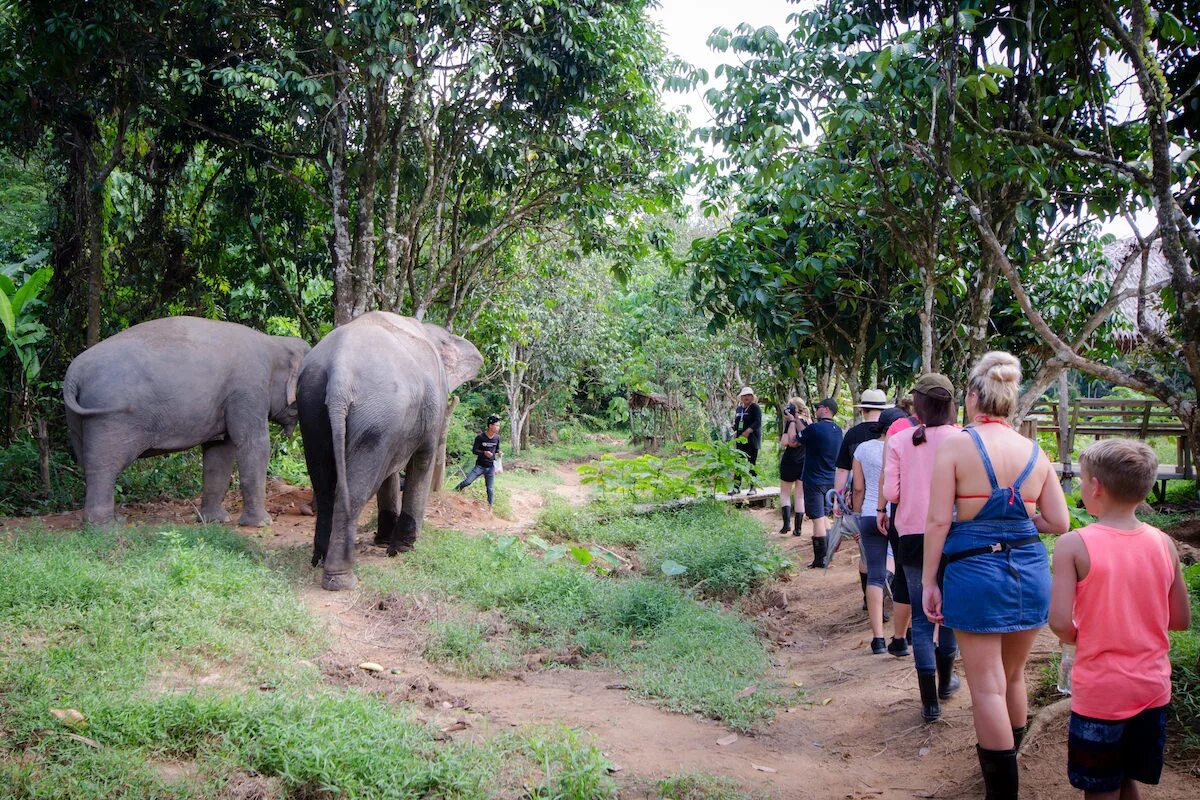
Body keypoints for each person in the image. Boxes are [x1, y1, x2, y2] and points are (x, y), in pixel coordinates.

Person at [921, 352, 1069, 799]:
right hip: (1028, 571)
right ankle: (1011, 759)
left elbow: (937, 522)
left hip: (975, 574)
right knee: (1014, 675)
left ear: (972, 396)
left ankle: (1001, 789)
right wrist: (1018, 522)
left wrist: (930, 581)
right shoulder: (1033, 450)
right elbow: (1059, 522)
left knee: (986, 686)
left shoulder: (956, 446)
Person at [1049, 439, 1191, 800]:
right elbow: (1180, 619)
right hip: (1152, 688)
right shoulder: (1164, 543)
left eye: (1082, 480)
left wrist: (1084, 635)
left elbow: (1060, 622)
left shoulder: (1073, 544)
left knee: (1100, 788)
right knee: (1126, 776)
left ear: (1096, 486)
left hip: (1102, 693)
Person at [882, 373, 963, 722]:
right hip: (956, 534)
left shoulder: (901, 440)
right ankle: (946, 684)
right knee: (949, 615)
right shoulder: (964, 438)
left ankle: (929, 703)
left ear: (919, 404)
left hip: (913, 535)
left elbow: (891, 495)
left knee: (919, 614)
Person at [852, 406, 909, 654]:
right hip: (896, 514)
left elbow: (858, 488)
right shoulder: (907, 446)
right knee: (904, 575)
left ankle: (877, 639)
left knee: (874, 576)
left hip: (868, 513)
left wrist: (857, 516)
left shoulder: (862, 449)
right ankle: (903, 634)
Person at [837, 389, 893, 606]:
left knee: (866, 554)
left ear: (863, 410)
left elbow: (843, 471)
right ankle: (888, 593)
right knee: (891, 553)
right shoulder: (896, 434)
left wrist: (840, 501)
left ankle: (868, 599)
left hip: (865, 505)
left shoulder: (853, 435)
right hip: (891, 503)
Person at [799, 398, 843, 568]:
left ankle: (820, 559)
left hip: (814, 480)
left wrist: (795, 421)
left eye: (818, 408)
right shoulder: (838, 430)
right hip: (830, 479)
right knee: (824, 516)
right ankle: (829, 552)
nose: (816, 410)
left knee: (817, 519)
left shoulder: (814, 429)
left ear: (825, 410)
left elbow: (796, 440)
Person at [454, 414, 502, 508]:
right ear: (490, 426)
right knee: (467, 482)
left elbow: (497, 450)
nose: (498, 427)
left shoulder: (497, 438)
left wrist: (499, 453)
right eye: (496, 425)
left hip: (490, 467)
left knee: (490, 489)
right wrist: (484, 452)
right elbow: (474, 451)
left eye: (498, 425)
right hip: (479, 466)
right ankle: (454, 491)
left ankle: (490, 508)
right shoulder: (480, 437)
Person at [778, 398, 809, 535]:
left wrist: (790, 421)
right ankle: (798, 528)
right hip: (804, 461)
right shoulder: (809, 421)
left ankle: (786, 525)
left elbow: (788, 442)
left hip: (790, 461)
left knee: (785, 493)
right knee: (800, 496)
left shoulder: (793, 421)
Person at [732, 387, 762, 494]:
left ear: (752, 397)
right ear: (741, 397)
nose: (746, 397)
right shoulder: (739, 409)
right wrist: (734, 427)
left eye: (748, 395)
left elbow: (757, 422)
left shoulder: (755, 407)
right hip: (740, 440)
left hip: (752, 440)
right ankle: (736, 487)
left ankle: (752, 487)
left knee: (751, 464)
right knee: (737, 463)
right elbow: (737, 422)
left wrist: (748, 431)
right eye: (744, 396)